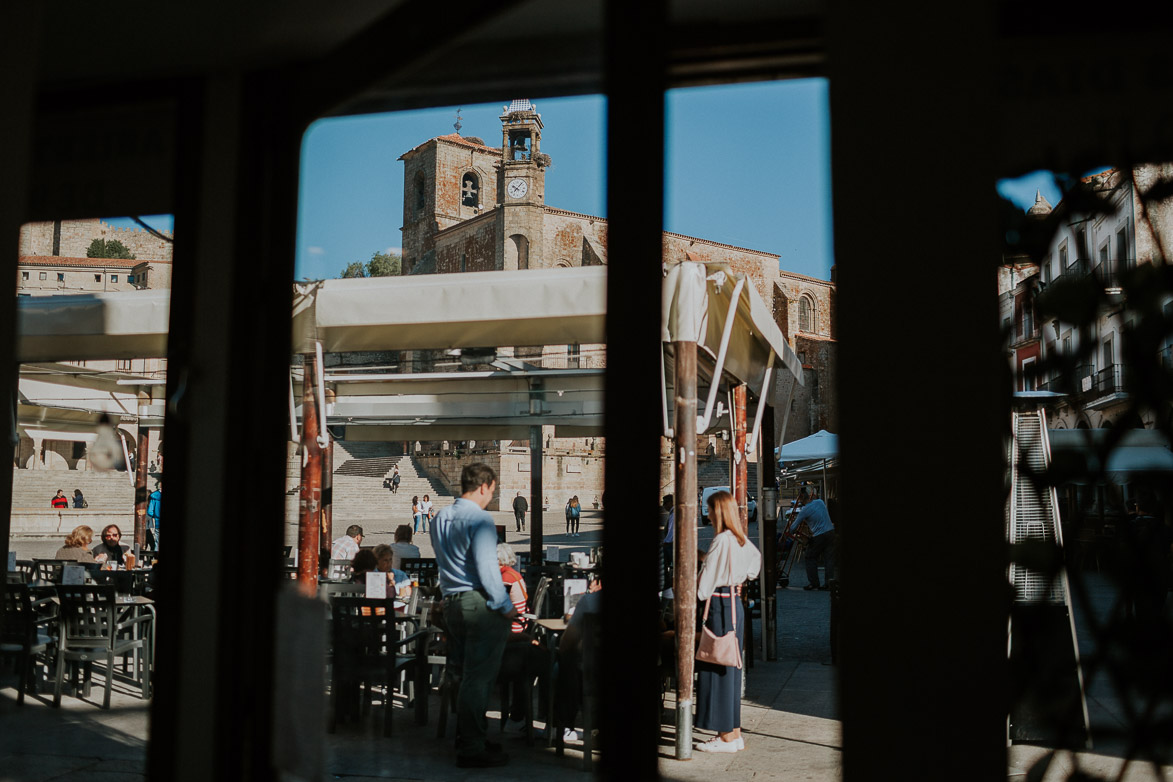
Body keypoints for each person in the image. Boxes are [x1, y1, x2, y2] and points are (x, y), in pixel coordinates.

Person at [432, 463, 517, 768]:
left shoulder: (440, 517)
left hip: (452, 600)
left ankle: (470, 734)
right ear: (484, 486)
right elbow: (487, 570)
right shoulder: (480, 520)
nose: (490, 497)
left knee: (461, 671)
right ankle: (471, 746)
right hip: (477, 602)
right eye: (492, 491)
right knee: (478, 679)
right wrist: (505, 607)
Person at [695, 490, 761, 753]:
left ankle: (724, 736)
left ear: (718, 512)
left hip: (719, 605)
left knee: (717, 664)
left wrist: (705, 564)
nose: (708, 515)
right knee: (731, 666)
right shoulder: (740, 539)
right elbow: (754, 568)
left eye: (710, 510)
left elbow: (703, 588)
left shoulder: (721, 540)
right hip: (735, 603)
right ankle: (733, 731)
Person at [786, 485, 835, 590]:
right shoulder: (820, 502)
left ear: (803, 499)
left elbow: (793, 528)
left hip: (819, 535)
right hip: (830, 532)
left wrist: (791, 529)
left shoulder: (805, 510)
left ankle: (814, 583)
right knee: (829, 559)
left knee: (810, 556)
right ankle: (829, 583)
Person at [146, 484, 162, 549]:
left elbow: (150, 511)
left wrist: (155, 516)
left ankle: (156, 558)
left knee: (157, 543)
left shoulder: (154, 497)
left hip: (158, 522)